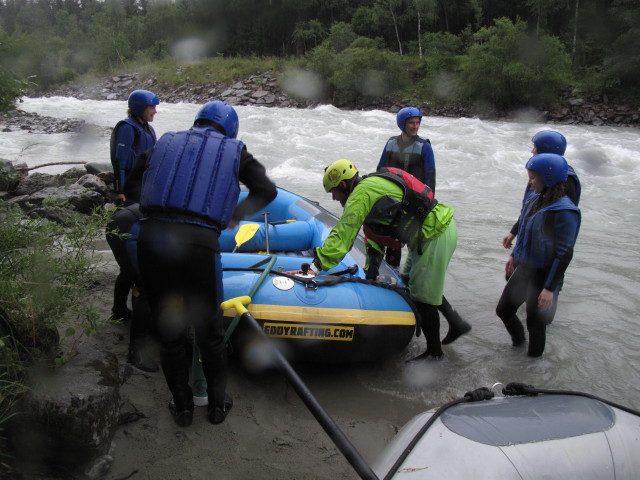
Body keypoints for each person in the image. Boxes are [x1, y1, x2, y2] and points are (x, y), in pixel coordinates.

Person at [136, 100, 277, 427]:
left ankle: (183, 408)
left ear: (198, 120)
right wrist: (234, 216)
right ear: (230, 128)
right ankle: (216, 407)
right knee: (211, 333)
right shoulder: (236, 150)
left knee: (170, 333)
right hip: (199, 244)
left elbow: (132, 184)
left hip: (152, 239)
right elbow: (265, 190)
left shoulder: (164, 141)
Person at [310, 159, 457, 360]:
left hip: (435, 233)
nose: (335, 198)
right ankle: (456, 324)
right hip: (431, 233)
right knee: (409, 281)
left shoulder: (361, 194)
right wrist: (371, 275)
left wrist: (317, 265)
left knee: (423, 297)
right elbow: (374, 239)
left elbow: (344, 233)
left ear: (344, 185)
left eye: (334, 192)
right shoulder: (369, 189)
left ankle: (435, 354)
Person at [377, 106, 471, 345]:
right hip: (395, 209)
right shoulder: (390, 144)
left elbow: (430, 180)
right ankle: (405, 306)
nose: (416, 126)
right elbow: (380, 172)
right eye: (411, 122)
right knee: (398, 262)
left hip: (415, 212)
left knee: (420, 273)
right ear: (402, 124)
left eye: (418, 122)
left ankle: (439, 320)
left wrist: (422, 213)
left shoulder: (425, 146)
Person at [496, 153, 581, 357]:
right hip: (525, 269)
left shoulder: (564, 211)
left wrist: (550, 288)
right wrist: (514, 256)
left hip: (543, 275)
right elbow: (525, 228)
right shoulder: (535, 198)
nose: (529, 181)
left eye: (533, 177)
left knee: (535, 324)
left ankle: (532, 368)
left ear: (548, 179)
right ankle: (518, 345)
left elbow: (564, 254)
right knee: (503, 311)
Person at [502, 130, 581, 250]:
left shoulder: (563, 180)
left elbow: (561, 229)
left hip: (542, 251)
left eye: (535, 147)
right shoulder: (540, 173)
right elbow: (529, 211)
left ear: (545, 150)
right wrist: (514, 232)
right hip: (529, 246)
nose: (532, 151)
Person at [105, 203, 158, 372]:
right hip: (128, 226)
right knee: (147, 286)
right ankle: (136, 352)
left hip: (117, 222)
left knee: (128, 271)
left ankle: (119, 311)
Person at [110, 89, 159, 205]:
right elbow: (120, 162)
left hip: (144, 184)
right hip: (130, 187)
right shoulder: (127, 128)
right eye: (152, 107)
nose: (155, 111)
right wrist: (120, 191)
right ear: (140, 108)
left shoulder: (149, 129)